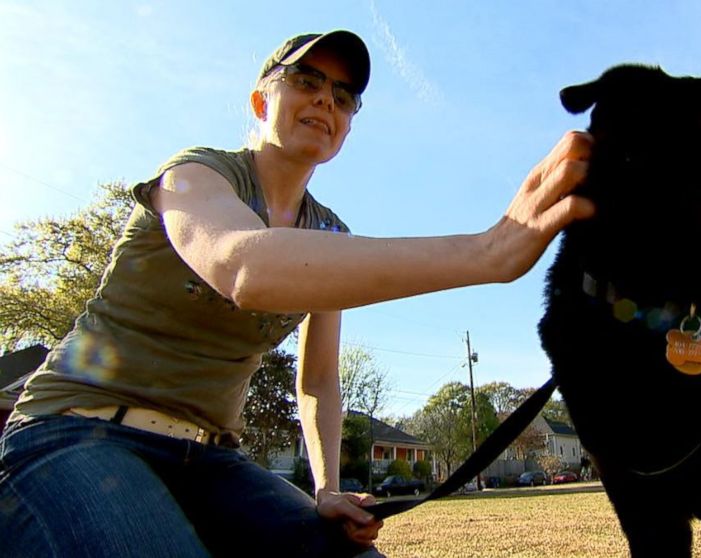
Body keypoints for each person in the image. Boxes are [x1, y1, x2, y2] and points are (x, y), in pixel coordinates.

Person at [0, 30, 593, 557]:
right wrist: (487, 251)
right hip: (75, 433)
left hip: (210, 459)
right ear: (262, 101)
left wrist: (328, 487)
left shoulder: (329, 234)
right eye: (306, 81)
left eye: (342, 96)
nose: (325, 101)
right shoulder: (195, 175)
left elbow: (317, 381)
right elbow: (244, 268)